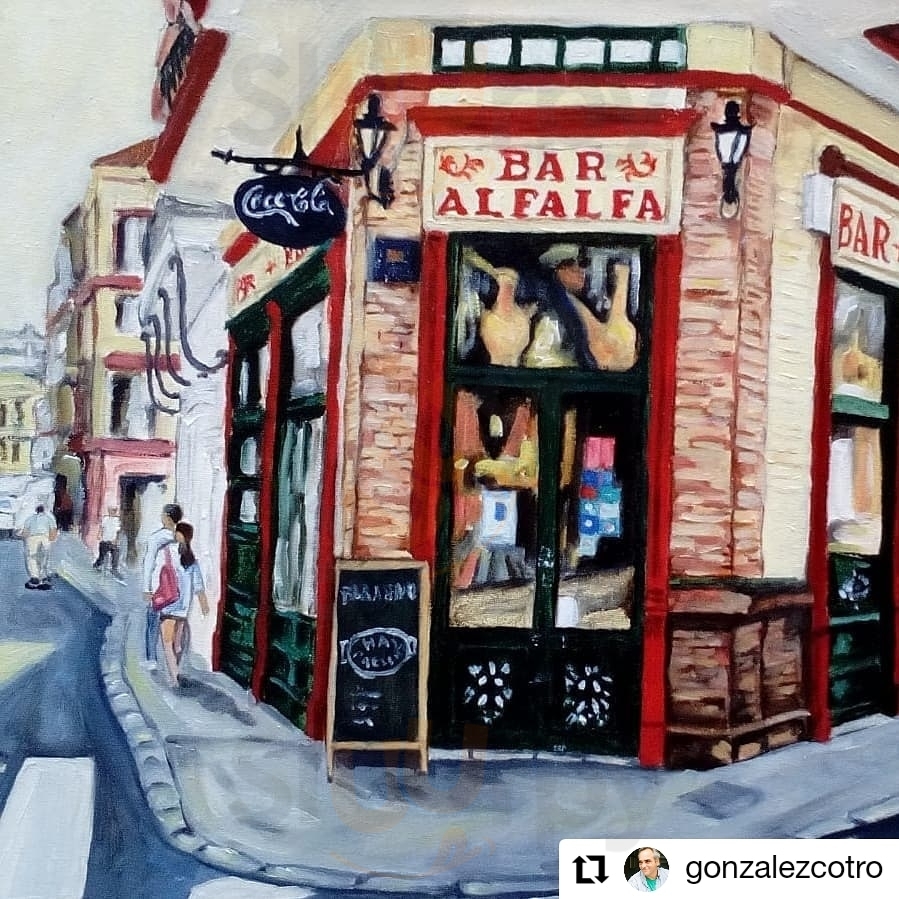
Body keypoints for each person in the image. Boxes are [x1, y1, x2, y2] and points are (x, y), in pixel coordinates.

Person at [158, 521, 209, 687]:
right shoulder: (191, 559)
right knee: (177, 644)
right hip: (183, 607)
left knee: (167, 642)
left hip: (169, 603)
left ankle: (174, 677)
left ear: (178, 534)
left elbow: (159, 574)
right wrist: (204, 604)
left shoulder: (168, 552)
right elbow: (198, 585)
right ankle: (176, 670)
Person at [142, 503, 182, 665]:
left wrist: (147, 588)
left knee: (152, 622)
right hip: (175, 589)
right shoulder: (179, 538)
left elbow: (149, 563)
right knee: (171, 626)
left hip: (158, 586)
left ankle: (151, 658)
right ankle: (173, 662)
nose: (161, 517)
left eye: (163, 514)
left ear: (167, 518)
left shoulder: (156, 538)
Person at [19, 504, 58, 590]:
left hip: (32, 538)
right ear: (43, 510)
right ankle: (43, 577)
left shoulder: (30, 518)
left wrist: (24, 539)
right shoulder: (49, 518)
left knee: (31, 557)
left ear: (36, 511)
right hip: (44, 538)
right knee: (44, 558)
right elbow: (53, 530)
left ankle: (35, 577)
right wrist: (51, 539)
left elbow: (25, 532)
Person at [93, 505, 122, 577]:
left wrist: (116, 540)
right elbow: (102, 528)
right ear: (109, 511)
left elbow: (118, 531)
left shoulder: (117, 520)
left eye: (114, 510)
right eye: (112, 510)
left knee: (116, 554)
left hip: (113, 542)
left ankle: (114, 569)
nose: (113, 512)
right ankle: (97, 565)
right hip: (105, 540)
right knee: (102, 556)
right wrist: (99, 535)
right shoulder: (105, 519)